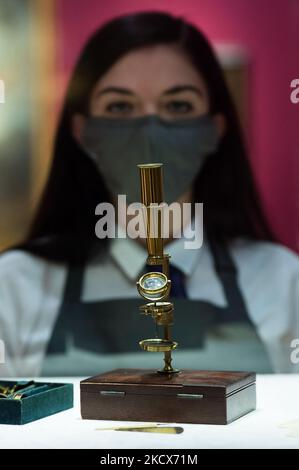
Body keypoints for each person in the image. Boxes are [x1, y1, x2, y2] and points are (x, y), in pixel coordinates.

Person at [0, 11, 298, 377]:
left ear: (214, 129)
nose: (149, 132)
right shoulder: (15, 286)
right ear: (82, 131)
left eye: (178, 105)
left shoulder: (282, 279)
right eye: (120, 106)